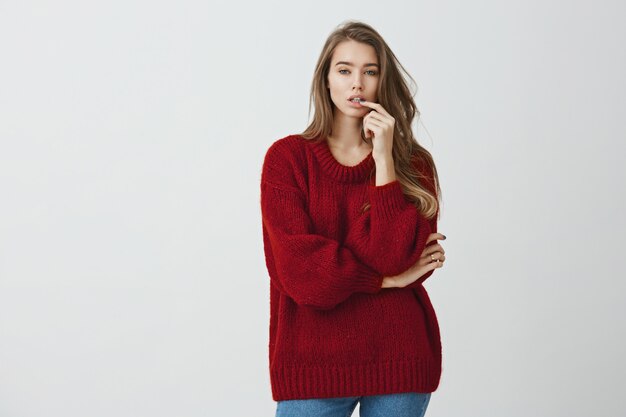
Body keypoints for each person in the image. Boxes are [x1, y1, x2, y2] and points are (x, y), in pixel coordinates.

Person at [260, 20, 447, 417]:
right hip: (311, 365)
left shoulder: (412, 164)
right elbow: (300, 271)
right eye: (344, 70)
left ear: (382, 82)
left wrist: (384, 161)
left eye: (370, 71)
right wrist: (382, 280)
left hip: (399, 360)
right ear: (326, 80)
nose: (357, 83)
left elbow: (396, 255)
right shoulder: (287, 160)